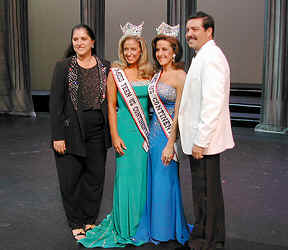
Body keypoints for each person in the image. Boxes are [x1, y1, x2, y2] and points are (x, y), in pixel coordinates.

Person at [78, 22, 153, 248]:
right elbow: (111, 107)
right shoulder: (115, 73)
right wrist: (115, 136)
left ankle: (142, 223)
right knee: (125, 177)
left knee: (142, 178)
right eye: (126, 49)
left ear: (141, 49)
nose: (130, 53)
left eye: (134, 49)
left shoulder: (149, 72)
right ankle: (125, 225)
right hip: (124, 133)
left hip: (144, 132)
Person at [178, 12, 235, 250]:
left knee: (206, 194)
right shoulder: (203, 55)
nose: (189, 34)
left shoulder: (211, 58)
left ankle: (209, 242)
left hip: (204, 142)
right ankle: (205, 234)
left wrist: (201, 141)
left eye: (195, 29)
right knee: (204, 191)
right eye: (188, 29)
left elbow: (212, 103)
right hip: (199, 140)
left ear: (209, 31)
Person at [49, 24, 111, 241]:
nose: (79, 42)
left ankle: (89, 220)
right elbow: (55, 104)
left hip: (98, 131)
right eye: (75, 39)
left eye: (84, 39)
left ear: (92, 42)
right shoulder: (64, 67)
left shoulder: (105, 66)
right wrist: (57, 136)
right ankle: (76, 222)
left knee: (95, 178)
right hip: (69, 131)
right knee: (71, 179)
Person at [134, 23, 190, 246]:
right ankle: (155, 226)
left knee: (166, 181)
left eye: (165, 49)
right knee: (154, 181)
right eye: (158, 50)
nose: (160, 54)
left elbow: (179, 113)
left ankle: (167, 228)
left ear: (174, 51)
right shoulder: (157, 74)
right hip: (154, 136)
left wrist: (170, 143)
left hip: (169, 136)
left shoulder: (180, 76)